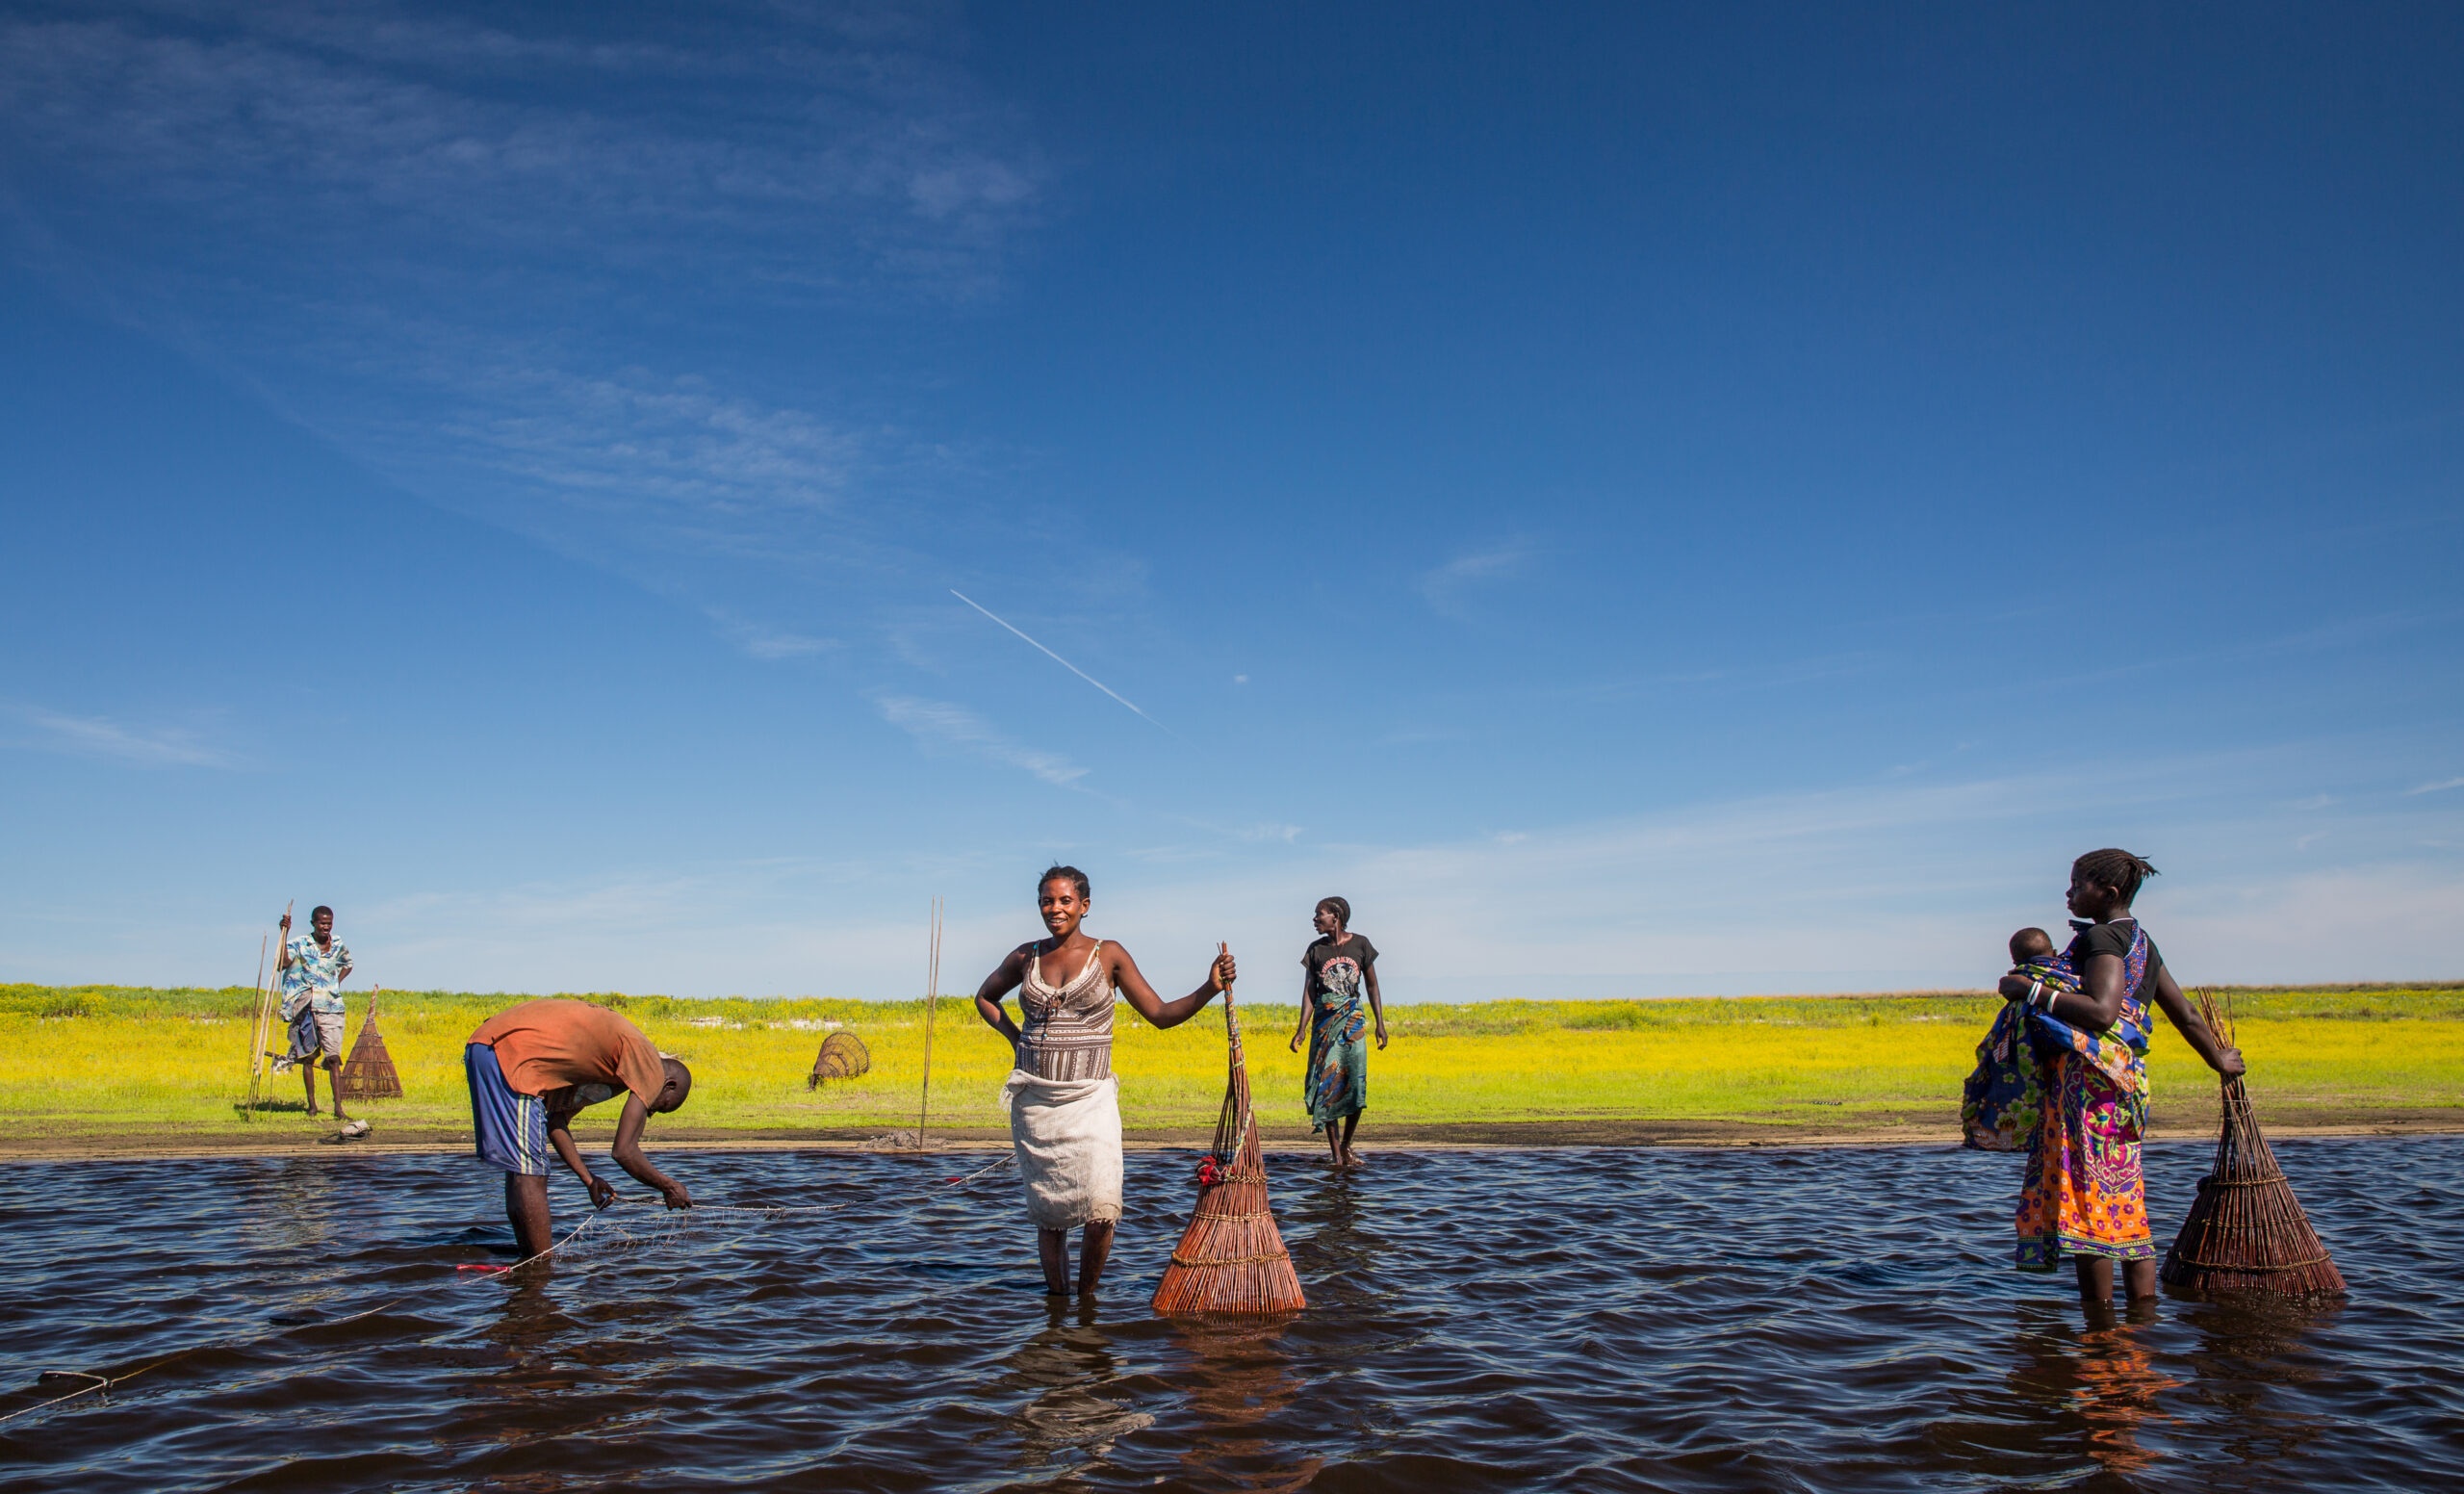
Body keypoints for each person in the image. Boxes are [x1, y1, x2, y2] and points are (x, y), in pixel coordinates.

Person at [1996, 849, 2244, 1310]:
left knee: (2090, 1202)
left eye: (2077, 885)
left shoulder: (2104, 938)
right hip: (2125, 1086)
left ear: (2107, 893)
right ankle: (2142, 1318)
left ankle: (2100, 1328)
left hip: (2091, 1089)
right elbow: (2185, 1014)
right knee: (2123, 1196)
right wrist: (2219, 1059)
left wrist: (2029, 990)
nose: (2069, 893)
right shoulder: (2141, 942)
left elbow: (2103, 1012)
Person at [973, 864, 1237, 1298]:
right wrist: (1017, 1041)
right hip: (1036, 1101)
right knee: (1050, 1215)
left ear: (1084, 906)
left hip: (1090, 1099)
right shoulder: (1026, 956)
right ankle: (1058, 1303)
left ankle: (1087, 1298)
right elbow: (985, 997)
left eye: (1064, 900)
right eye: (1046, 900)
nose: (1054, 909)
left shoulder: (1108, 954)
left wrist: (1208, 988)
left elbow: (1161, 1015)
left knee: (1101, 1206)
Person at [464, 996, 695, 1259]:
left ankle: (528, 1263)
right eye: (662, 1106)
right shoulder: (651, 1066)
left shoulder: (608, 1065)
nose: (650, 1113)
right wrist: (669, 1186)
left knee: (522, 1169)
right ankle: (540, 1268)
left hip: (486, 1048)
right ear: (670, 1085)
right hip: (511, 1055)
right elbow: (624, 1151)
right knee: (531, 1173)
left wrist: (588, 1179)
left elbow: (556, 1120)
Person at [1288, 896, 1388, 1168]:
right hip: (1324, 1022)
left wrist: (1380, 1023)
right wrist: (1301, 1030)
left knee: (1354, 1084)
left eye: (1319, 914)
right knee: (1328, 1083)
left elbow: (1372, 987)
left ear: (1336, 916)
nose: (1315, 919)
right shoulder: (1315, 950)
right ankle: (1335, 1155)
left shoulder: (1361, 944)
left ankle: (1346, 1145)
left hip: (1353, 1021)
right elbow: (1309, 992)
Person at [272, 905, 353, 1120]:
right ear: (313, 923)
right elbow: (283, 962)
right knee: (308, 1057)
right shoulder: (301, 944)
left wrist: (336, 983)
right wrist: (284, 932)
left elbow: (348, 964)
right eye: (321, 923)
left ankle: (338, 1108)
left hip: (331, 1007)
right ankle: (312, 1106)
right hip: (306, 1006)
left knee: (334, 1058)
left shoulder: (337, 944)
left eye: (329, 923)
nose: (325, 926)